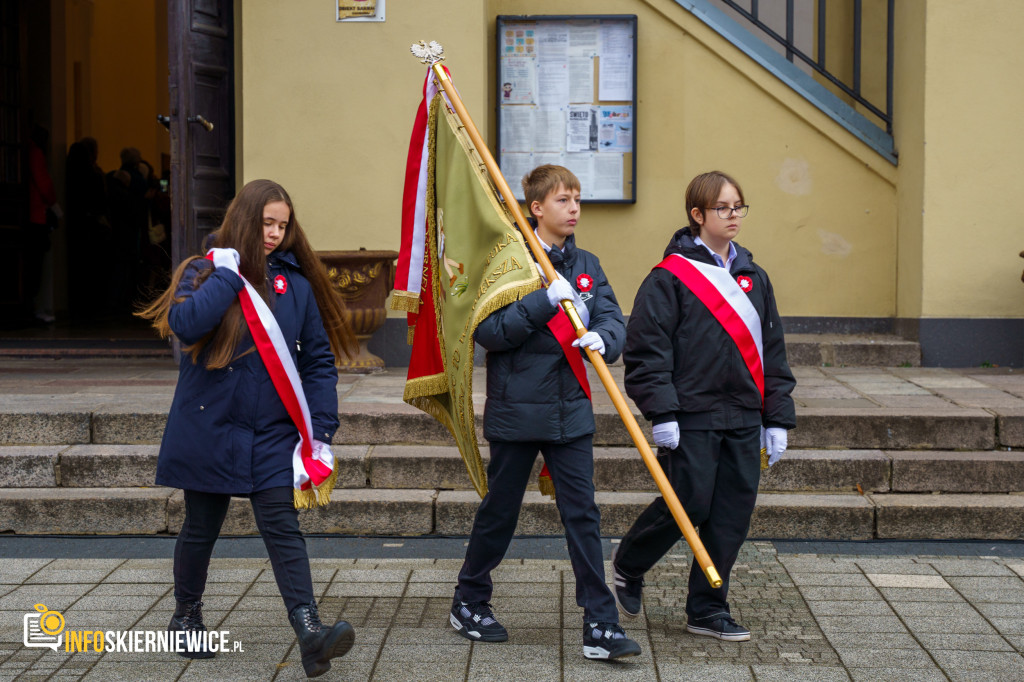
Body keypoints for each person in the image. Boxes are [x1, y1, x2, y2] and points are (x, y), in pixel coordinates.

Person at [137, 179, 358, 677]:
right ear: (243, 219)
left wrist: (320, 429)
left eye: (283, 225)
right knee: (200, 528)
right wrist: (228, 277)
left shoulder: (295, 284)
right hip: (210, 426)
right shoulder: (204, 271)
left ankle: (310, 635)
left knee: (284, 530)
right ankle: (186, 616)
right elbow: (187, 325)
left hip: (273, 432)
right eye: (267, 224)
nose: (276, 234)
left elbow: (319, 362)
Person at [449, 165, 641, 661]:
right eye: (563, 200)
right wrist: (542, 301)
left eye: (577, 199)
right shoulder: (509, 261)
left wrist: (607, 338)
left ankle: (600, 623)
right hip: (517, 410)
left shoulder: (589, 264)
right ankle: (469, 599)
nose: (574, 207)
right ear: (536, 208)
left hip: (571, 411)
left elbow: (611, 317)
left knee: (583, 516)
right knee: (501, 512)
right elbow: (488, 332)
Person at [611, 170, 796, 642]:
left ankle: (708, 608)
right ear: (697, 215)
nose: (734, 216)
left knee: (732, 513)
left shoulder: (754, 276)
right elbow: (648, 350)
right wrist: (663, 411)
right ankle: (629, 563)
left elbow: (772, 352)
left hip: (744, 415)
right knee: (686, 501)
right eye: (723, 208)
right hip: (691, 413)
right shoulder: (669, 278)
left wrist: (777, 417)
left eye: (739, 206)